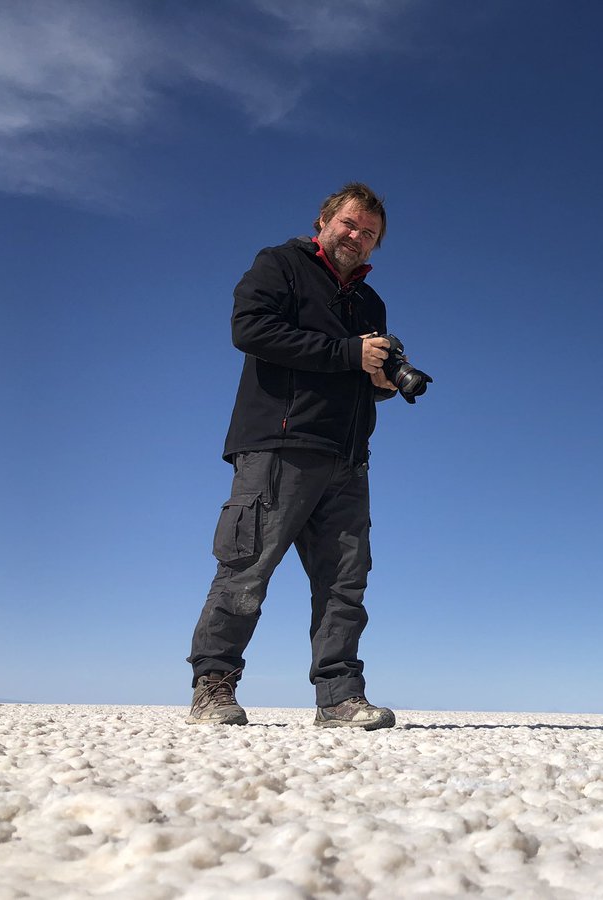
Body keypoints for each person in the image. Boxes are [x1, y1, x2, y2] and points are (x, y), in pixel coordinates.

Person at [185, 182, 404, 730]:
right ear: (325, 221)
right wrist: (348, 352)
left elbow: (357, 374)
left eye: (370, 233)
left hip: (348, 457)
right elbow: (251, 329)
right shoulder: (281, 264)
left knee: (345, 583)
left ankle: (339, 699)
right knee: (246, 568)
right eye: (350, 224)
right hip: (278, 445)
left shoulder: (369, 302)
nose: (358, 237)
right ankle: (213, 686)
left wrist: (381, 379)